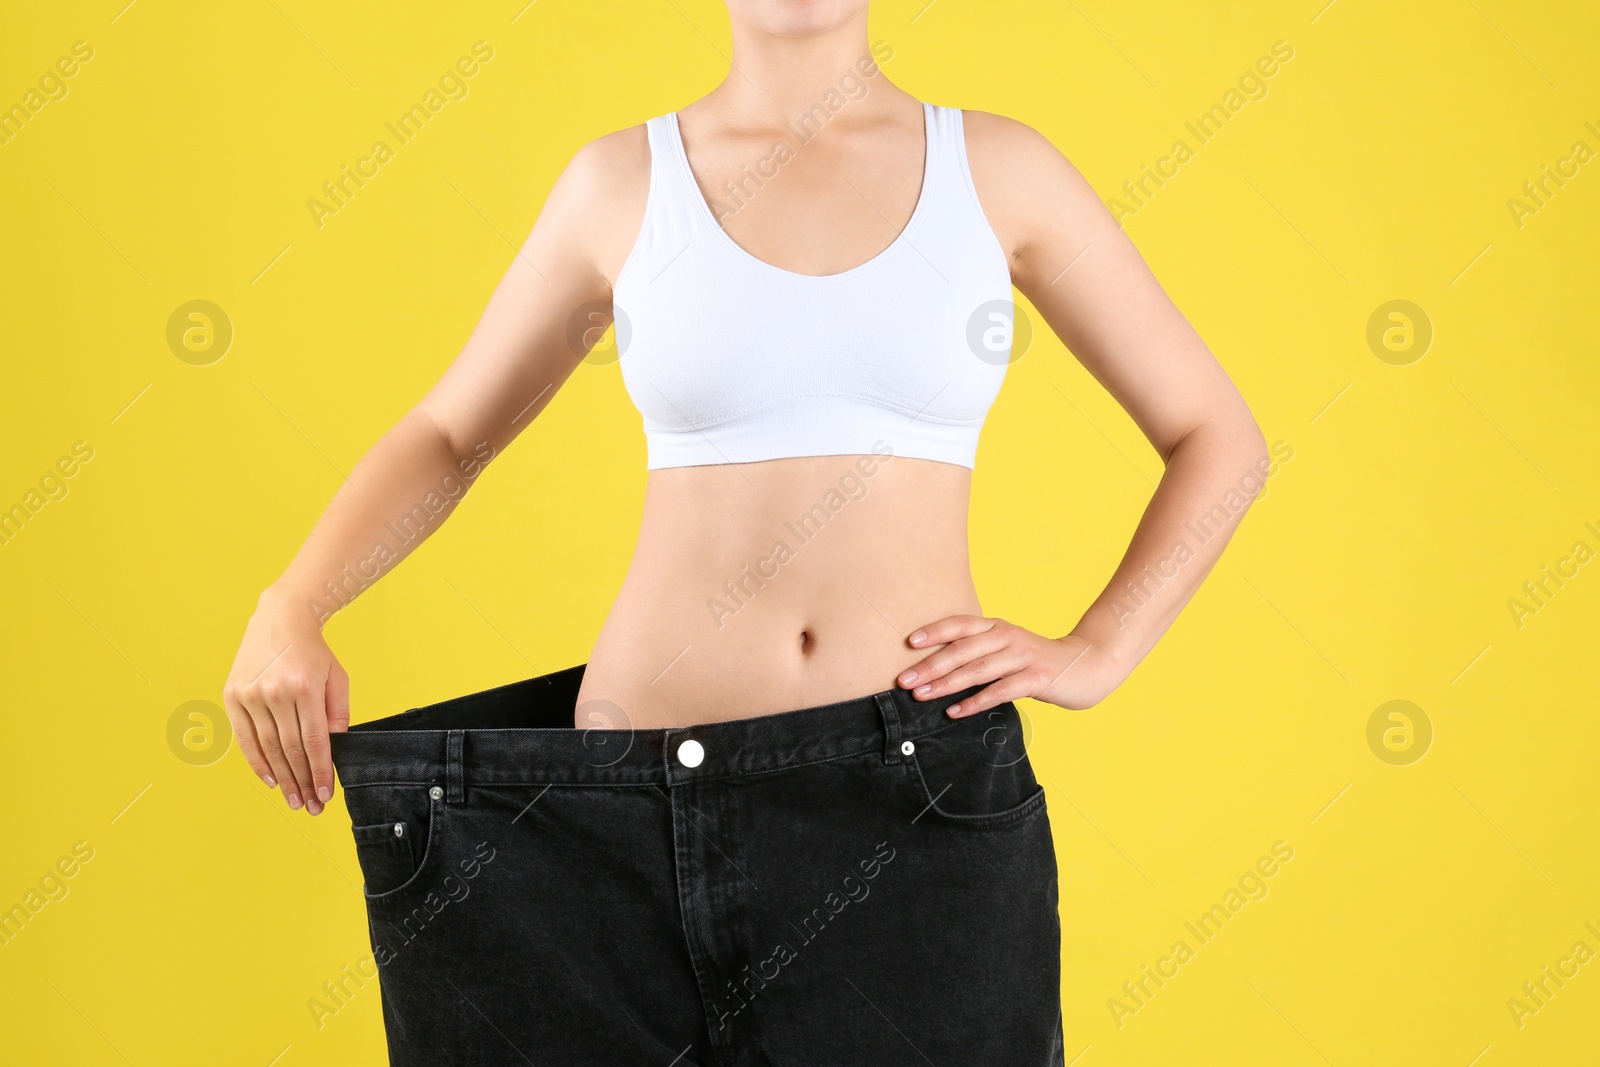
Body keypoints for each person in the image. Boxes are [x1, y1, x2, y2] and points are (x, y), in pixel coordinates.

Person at [224, 2, 1267, 1063]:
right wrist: (292, 600)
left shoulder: (1000, 171)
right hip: (621, 814)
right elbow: (449, 432)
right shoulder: (619, 182)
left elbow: (1215, 435)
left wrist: (1098, 648)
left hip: (911, 807)